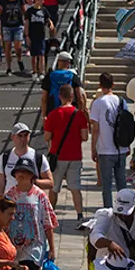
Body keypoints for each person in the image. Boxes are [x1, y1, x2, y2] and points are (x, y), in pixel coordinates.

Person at [3, 158, 56, 270]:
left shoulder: (40, 196)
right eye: (18, 173)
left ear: (31, 175)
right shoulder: (10, 195)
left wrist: (52, 249)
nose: (20, 176)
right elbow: (2, 220)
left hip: (34, 245)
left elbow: (48, 223)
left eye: (24, 173)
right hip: (13, 246)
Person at [44, 84, 89, 225]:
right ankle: (80, 215)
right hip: (75, 155)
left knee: (54, 187)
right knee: (75, 187)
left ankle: (50, 215)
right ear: (72, 96)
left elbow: (46, 137)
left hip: (58, 156)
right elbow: (85, 137)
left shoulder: (53, 115)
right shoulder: (80, 114)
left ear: (59, 97)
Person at [89, 74, 132, 209]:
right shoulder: (121, 101)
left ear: (100, 85)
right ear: (113, 85)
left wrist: (93, 148)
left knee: (106, 185)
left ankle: (108, 210)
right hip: (120, 148)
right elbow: (126, 125)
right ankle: (124, 209)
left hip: (105, 149)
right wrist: (128, 144)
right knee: (121, 183)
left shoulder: (98, 103)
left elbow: (95, 129)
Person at [89, 189, 135, 268]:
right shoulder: (106, 215)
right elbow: (95, 235)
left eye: (126, 214)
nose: (122, 216)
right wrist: (109, 243)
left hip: (132, 266)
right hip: (108, 265)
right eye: (120, 213)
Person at [0, 124, 52, 201]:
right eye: (20, 136)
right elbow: (0, 184)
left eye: (25, 135)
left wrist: (32, 181)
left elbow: (50, 183)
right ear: (12, 137)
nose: (23, 138)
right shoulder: (5, 157)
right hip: (10, 203)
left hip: (31, 202)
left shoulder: (38, 157)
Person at [45, 51, 78, 117]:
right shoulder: (72, 75)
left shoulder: (50, 75)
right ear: (68, 63)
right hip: (69, 111)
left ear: (58, 61)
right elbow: (80, 97)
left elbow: (44, 98)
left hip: (53, 109)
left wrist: (44, 115)